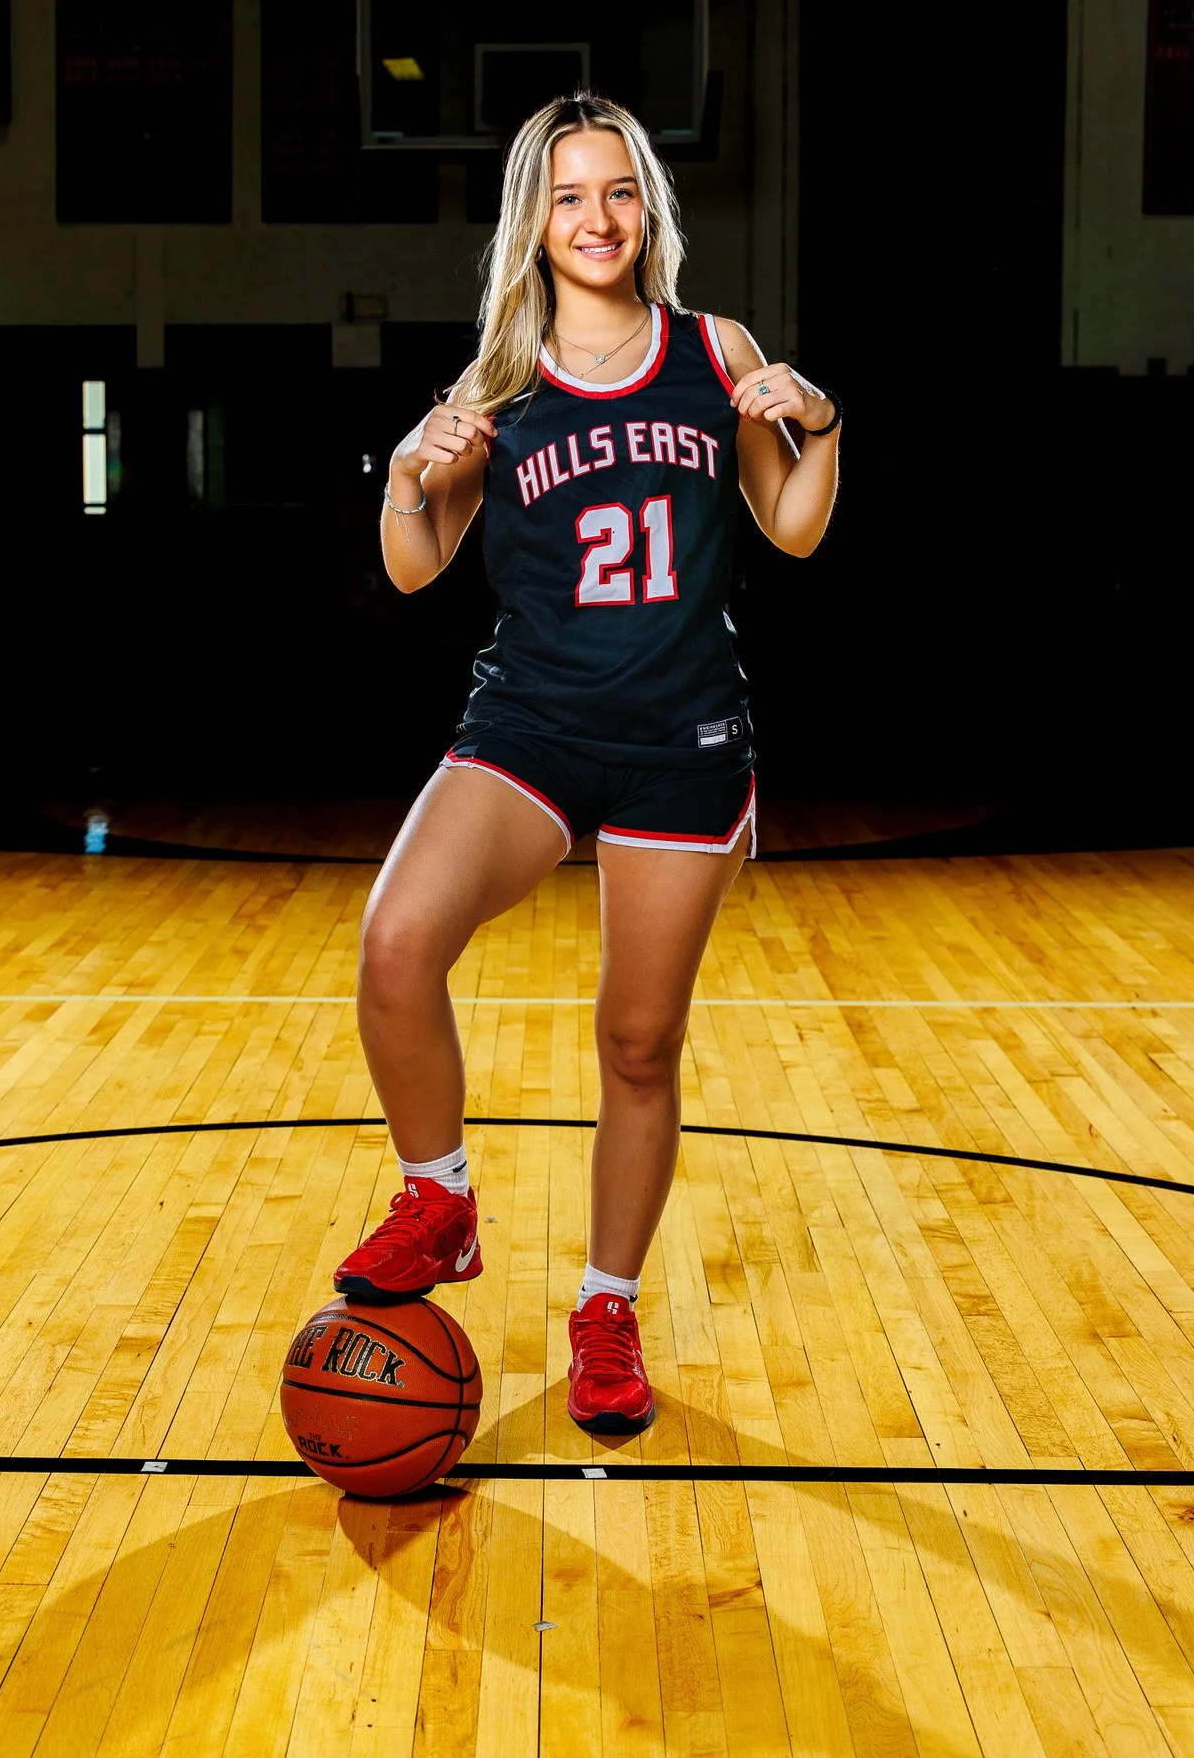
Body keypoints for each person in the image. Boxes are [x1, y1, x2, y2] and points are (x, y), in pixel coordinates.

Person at [334, 93, 841, 1433]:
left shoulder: (713, 350)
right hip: (534, 729)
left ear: (648, 211)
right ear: (534, 221)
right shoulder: (495, 383)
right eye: (568, 196)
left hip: (683, 738)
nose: (596, 218)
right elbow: (411, 563)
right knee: (394, 946)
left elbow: (789, 529)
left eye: (618, 191)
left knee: (637, 1041)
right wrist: (405, 473)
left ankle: (604, 1307)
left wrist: (821, 429)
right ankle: (437, 1199)